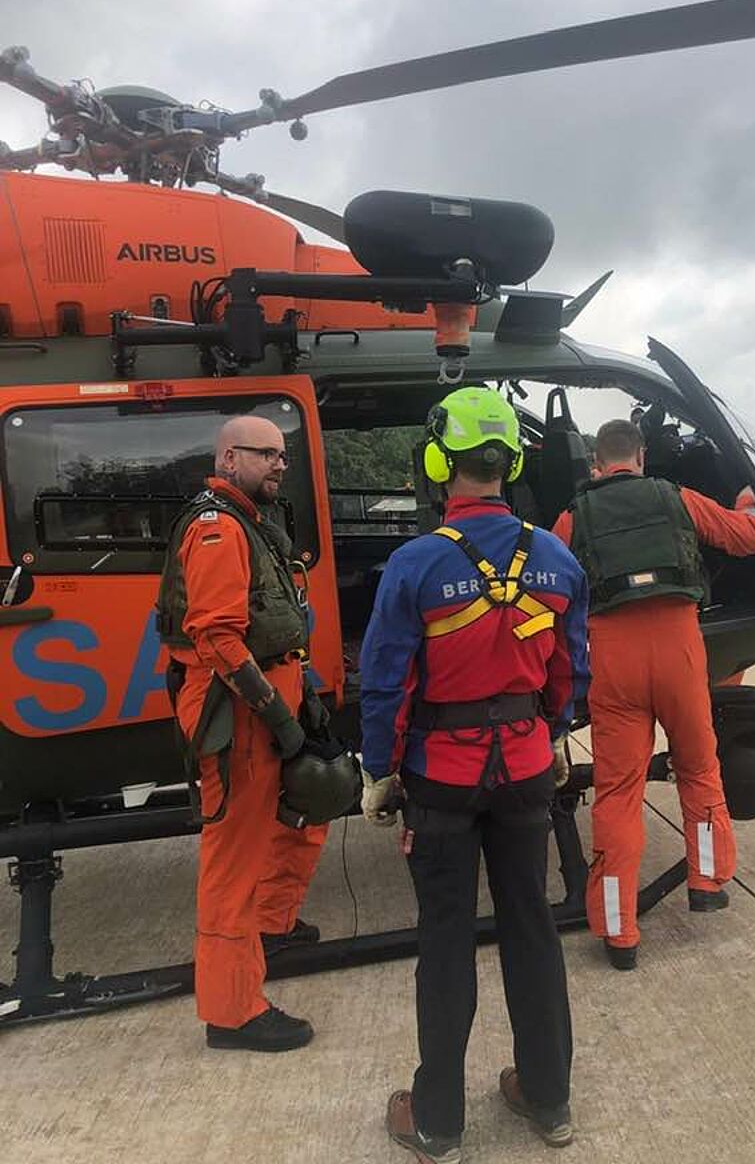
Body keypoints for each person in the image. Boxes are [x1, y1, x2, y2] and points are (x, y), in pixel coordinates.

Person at [359, 387, 590, 1164]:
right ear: (511, 464)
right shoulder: (555, 557)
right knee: (532, 928)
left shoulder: (414, 563)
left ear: (438, 462)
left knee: (446, 939)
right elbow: (570, 668)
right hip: (526, 769)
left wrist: (379, 771)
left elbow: (386, 682)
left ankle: (438, 1123)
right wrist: (553, 733)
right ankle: (549, 1098)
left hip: (442, 779)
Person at [553, 418, 755, 970]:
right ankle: (707, 881)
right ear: (642, 457)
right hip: (679, 650)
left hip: (613, 659)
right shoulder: (678, 498)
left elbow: (548, 584)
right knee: (699, 767)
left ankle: (619, 932)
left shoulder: (574, 516)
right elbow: (748, 538)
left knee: (618, 793)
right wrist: (751, 500)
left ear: (597, 464)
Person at [157, 415, 328, 1050]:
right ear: (229, 458)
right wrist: (278, 717)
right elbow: (219, 639)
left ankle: (273, 924)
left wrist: (301, 699)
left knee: (307, 813)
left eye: (283, 455)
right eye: (266, 454)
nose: (280, 464)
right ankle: (232, 1012)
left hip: (273, 694)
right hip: (237, 715)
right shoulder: (217, 528)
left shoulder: (252, 523)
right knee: (234, 858)